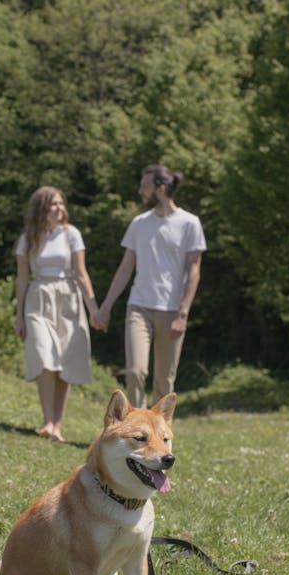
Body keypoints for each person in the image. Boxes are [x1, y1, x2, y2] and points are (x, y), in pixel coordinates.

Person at [94, 164, 206, 408]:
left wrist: (183, 313)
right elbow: (125, 269)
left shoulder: (189, 223)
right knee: (135, 371)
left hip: (172, 309)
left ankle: (160, 435)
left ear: (161, 188)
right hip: (139, 306)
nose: (140, 192)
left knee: (164, 381)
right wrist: (106, 306)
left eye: (145, 187)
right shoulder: (139, 223)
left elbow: (194, 270)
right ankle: (137, 429)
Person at [15, 186, 99, 442]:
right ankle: (47, 420)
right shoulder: (28, 238)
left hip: (68, 299)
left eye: (62, 204)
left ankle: (57, 426)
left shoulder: (71, 234)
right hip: (38, 298)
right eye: (54, 204)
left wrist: (93, 307)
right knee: (44, 356)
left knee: (65, 363)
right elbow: (21, 279)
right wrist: (19, 315)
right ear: (41, 208)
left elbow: (81, 273)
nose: (60, 208)